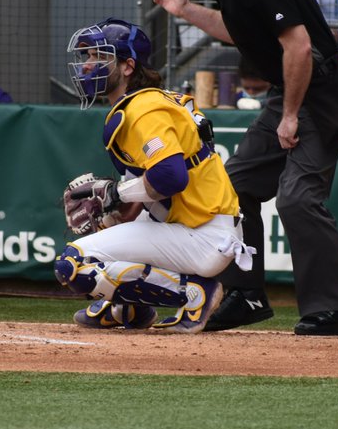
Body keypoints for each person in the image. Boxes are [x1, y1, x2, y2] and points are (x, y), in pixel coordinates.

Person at [153, 0, 338, 336]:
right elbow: (236, 31)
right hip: (292, 90)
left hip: (319, 93)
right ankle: (246, 293)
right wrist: (186, 10)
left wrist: (290, 115)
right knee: (235, 186)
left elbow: (298, 46)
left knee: (298, 198)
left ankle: (335, 310)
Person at [54, 17, 252, 333]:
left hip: (201, 234)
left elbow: (171, 178)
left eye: (99, 57)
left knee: (73, 264)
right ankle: (127, 310)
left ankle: (194, 292)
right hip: (191, 225)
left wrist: (115, 194)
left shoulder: (143, 109)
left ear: (128, 66)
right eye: (87, 57)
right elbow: (151, 191)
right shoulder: (151, 100)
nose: (88, 65)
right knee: (104, 239)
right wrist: (112, 217)